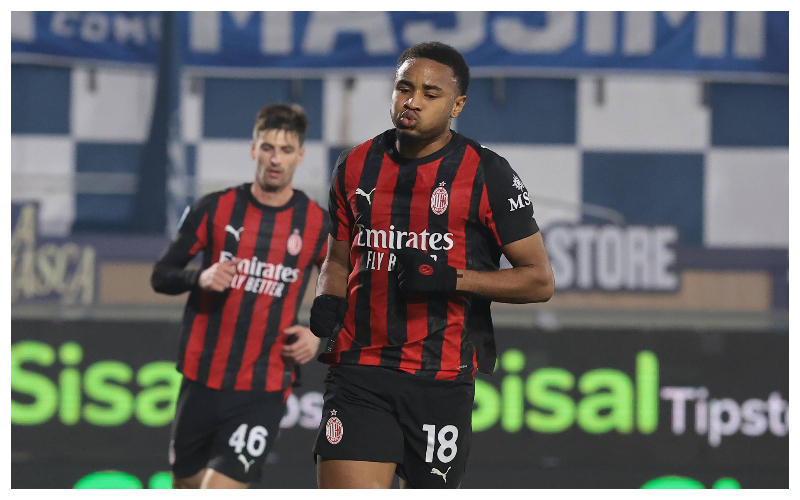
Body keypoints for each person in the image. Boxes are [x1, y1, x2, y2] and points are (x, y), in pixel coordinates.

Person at [309, 41, 555, 489]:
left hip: (439, 380)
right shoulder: (355, 165)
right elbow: (337, 259)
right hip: (360, 370)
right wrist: (327, 293)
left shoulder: (488, 174)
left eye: (430, 93)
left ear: (457, 104)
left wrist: (453, 278)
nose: (413, 101)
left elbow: (539, 281)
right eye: (404, 88)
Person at [151, 103, 328, 489]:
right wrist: (201, 277)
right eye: (267, 148)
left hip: (263, 386)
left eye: (285, 150)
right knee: (185, 485)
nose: (275, 159)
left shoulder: (316, 223)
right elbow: (161, 275)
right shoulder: (214, 209)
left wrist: (318, 333)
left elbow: (345, 282)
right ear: (253, 150)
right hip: (200, 379)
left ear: (300, 156)